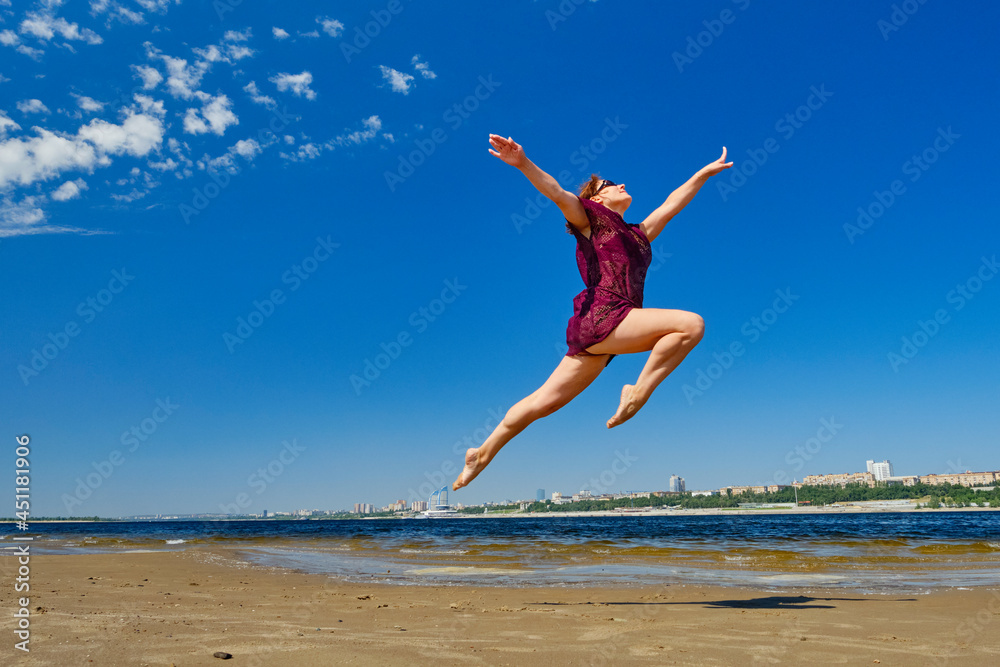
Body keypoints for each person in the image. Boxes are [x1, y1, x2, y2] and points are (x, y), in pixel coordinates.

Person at [452, 134, 733, 491]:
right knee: (690, 325)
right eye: (613, 183)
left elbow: (672, 203)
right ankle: (638, 392)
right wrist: (522, 162)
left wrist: (705, 173)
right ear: (597, 197)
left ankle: (482, 453)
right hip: (605, 316)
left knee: (542, 403)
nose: (623, 184)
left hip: (606, 331)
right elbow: (556, 192)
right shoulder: (590, 218)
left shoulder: (639, 233)